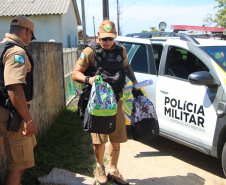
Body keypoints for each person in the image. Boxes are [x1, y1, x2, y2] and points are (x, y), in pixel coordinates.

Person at [72, 19, 138, 185]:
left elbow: (126, 66)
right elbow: (75, 74)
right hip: (98, 104)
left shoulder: (121, 49)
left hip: (116, 101)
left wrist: (135, 82)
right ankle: (100, 167)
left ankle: (113, 169)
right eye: (104, 38)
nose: (107, 42)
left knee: (116, 138)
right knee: (99, 139)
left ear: (115, 36)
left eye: (111, 38)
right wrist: (89, 79)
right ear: (98, 36)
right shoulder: (89, 52)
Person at [0, 16, 37, 185]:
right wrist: (28, 120)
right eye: (31, 35)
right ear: (27, 31)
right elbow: (14, 88)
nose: (29, 40)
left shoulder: (2, 47)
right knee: (18, 165)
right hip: (10, 114)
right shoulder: (17, 52)